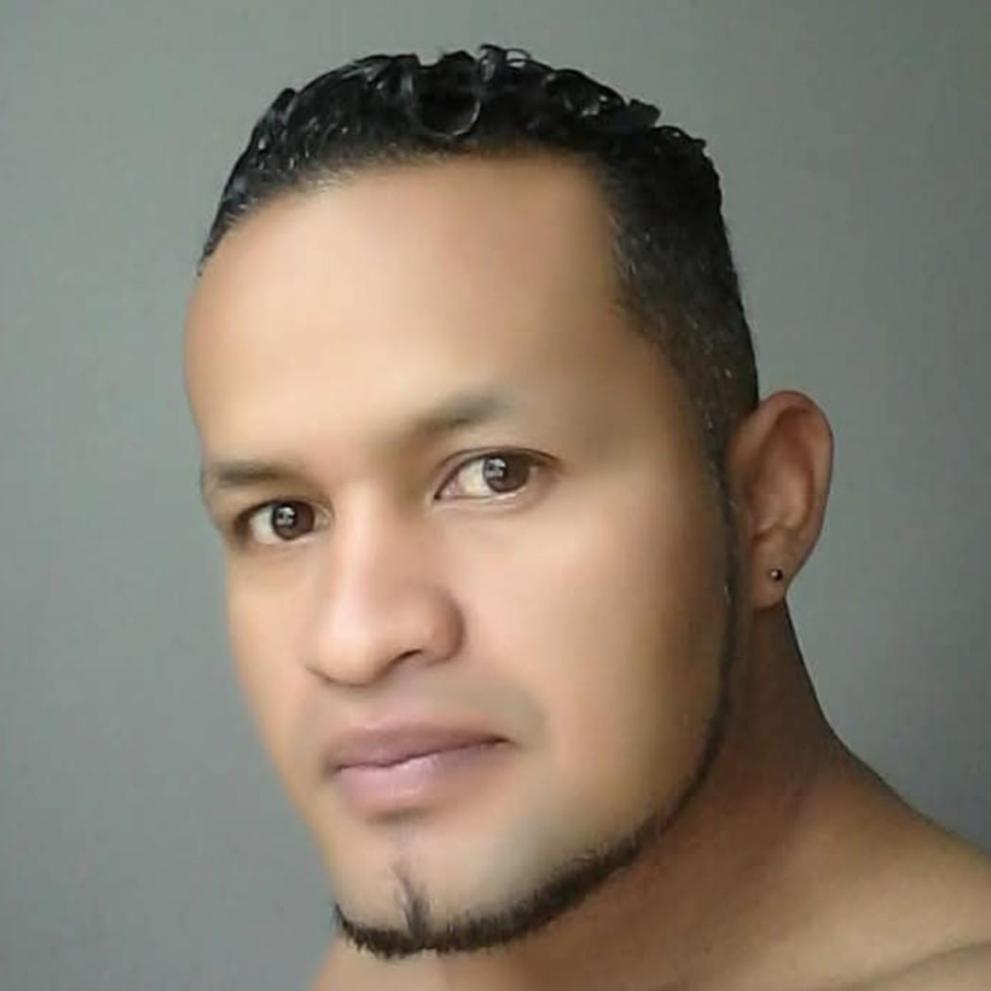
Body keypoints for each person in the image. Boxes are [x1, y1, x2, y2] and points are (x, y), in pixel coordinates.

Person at [182, 45, 991, 991]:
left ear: (769, 498)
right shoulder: (409, 964)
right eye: (283, 517)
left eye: (493, 474)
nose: (352, 639)